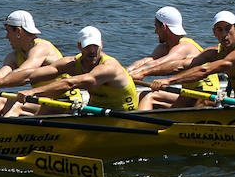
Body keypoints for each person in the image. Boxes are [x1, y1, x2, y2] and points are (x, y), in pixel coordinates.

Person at [149, 11, 235, 103]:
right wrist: (145, 72)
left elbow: (204, 70)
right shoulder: (215, 52)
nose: (224, 34)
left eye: (228, 28)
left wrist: (169, 81)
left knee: (204, 102)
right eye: (219, 29)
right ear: (214, 32)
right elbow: (183, 64)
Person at [10, 27, 139, 113]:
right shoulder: (72, 63)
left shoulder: (109, 67)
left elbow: (69, 83)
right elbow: (31, 75)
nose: (92, 51)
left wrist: (34, 92)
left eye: (95, 46)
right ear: (79, 46)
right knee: (46, 108)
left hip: (124, 115)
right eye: (88, 46)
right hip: (96, 112)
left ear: (101, 45)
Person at [0, 9, 81, 115]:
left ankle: (2, 130)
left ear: (18, 31)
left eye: (8, 31)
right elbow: (0, 74)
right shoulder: (14, 56)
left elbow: (24, 73)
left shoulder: (42, 47)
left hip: (65, 101)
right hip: (43, 101)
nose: (7, 37)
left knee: (17, 105)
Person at [128, 6, 222, 110]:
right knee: (138, 95)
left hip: (205, 92)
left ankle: (138, 125)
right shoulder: (164, 47)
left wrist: (141, 73)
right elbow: (146, 61)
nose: (155, 31)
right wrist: (124, 73)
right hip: (189, 94)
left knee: (150, 96)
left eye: (156, 27)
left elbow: (158, 64)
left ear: (164, 27)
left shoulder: (185, 46)